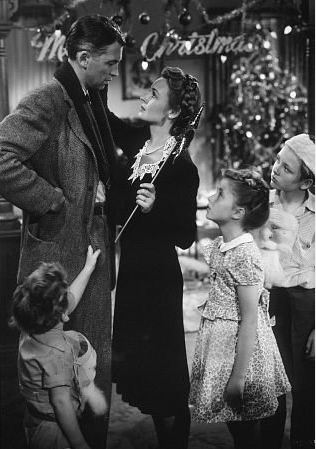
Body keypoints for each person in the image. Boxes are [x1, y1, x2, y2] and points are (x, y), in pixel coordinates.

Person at [0, 14, 152, 447]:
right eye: (109, 62)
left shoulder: (89, 97)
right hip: (61, 253)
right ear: (83, 57)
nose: (113, 70)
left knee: (88, 363)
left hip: (89, 248)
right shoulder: (50, 99)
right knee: (63, 372)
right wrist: (51, 201)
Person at [111, 66, 201, 449]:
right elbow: (104, 118)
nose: (145, 97)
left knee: (165, 384)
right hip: (130, 275)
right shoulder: (135, 143)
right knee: (143, 377)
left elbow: (185, 236)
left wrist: (155, 209)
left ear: (173, 112)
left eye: (154, 93)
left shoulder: (181, 167)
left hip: (159, 280)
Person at [190, 168, 291, 449]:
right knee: (238, 425)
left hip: (243, 353)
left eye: (220, 193)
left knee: (249, 425)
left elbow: (248, 321)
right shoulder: (224, 245)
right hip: (223, 348)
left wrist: (238, 376)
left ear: (238, 212)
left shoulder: (245, 254)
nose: (211, 196)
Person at [10, 246, 104, 449]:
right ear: (63, 315)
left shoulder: (30, 326)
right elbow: (61, 404)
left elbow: (70, 298)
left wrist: (88, 268)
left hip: (33, 418)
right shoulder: (56, 355)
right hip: (53, 430)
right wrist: (79, 443)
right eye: (65, 307)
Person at [266, 134, 315, 449]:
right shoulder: (262, 204)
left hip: (308, 301)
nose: (275, 170)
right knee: (272, 373)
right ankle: (269, 438)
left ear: (304, 182)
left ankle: (304, 438)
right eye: (277, 160)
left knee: (307, 378)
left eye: (286, 169)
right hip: (272, 296)